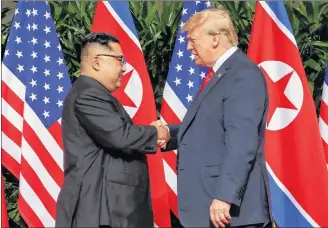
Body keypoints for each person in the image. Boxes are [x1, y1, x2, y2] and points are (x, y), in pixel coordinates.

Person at [156, 9, 272, 228]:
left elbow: (242, 142)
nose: (189, 47)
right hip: (212, 208)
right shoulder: (221, 73)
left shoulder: (241, 74)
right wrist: (169, 134)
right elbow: (211, 128)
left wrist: (225, 196)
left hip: (231, 214)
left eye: (193, 40)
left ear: (215, 38)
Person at [55, 32, 170, 228]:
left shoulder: (92, 92)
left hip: (108, 209)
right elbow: (120, 136)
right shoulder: (89, 94)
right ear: (97, 62)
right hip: (100, 210)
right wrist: (156, 132)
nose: (124, 67)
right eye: (119, 60)